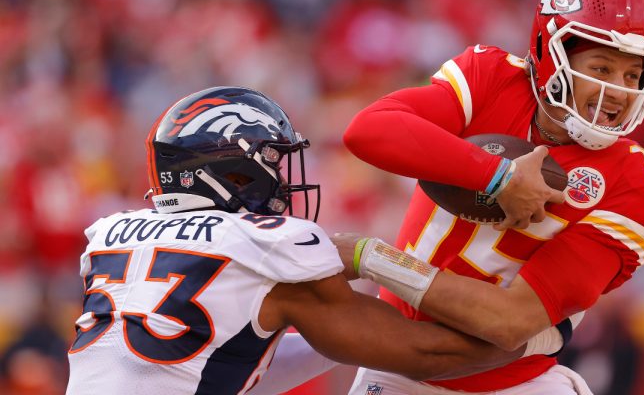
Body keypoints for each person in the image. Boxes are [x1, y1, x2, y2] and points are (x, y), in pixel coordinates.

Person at [65, 86, 575, 395]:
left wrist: (338, 338)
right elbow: (430, 355)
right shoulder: (267, 244)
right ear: (231, 173)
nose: (283, 183)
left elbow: (231, 360)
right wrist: (541, 334)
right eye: (272, 163)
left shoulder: (109, 235)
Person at [341, 0, 644, 394]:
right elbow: (368, 131)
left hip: (517, 383)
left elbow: (509, 321)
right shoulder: (491, 78)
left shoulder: (641, 186)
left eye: (633, 75)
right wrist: (498, 177)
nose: (619, 91)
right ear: (552, 55)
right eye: (602, 68)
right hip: (396, 371)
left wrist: (374, 258)